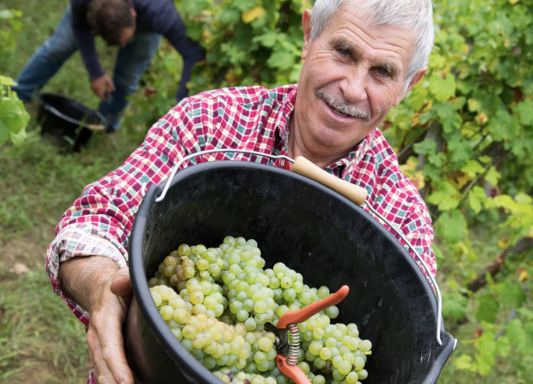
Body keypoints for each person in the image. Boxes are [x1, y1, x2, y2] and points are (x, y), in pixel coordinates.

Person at [46, 0, 435, 382]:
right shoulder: (211, 123)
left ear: (409, 85)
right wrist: (101, 291)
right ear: (308, 36)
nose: (352, 88)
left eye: (382, 71)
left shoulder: (401, 217)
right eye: (343, 52)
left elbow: (410, 355)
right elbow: (90, 225)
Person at [13, 0, 205, 131]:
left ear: (133, 13)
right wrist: (95, 72)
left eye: (123, 39)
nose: (123, 46)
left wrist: (183, 105)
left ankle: (105, 124)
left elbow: (193, 54)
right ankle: (17, 96)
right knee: (57, 48)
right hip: (94, 12)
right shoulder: (83, 4)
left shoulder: (158, 12)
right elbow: (79, 26)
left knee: (127, 78)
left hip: (146, 24)